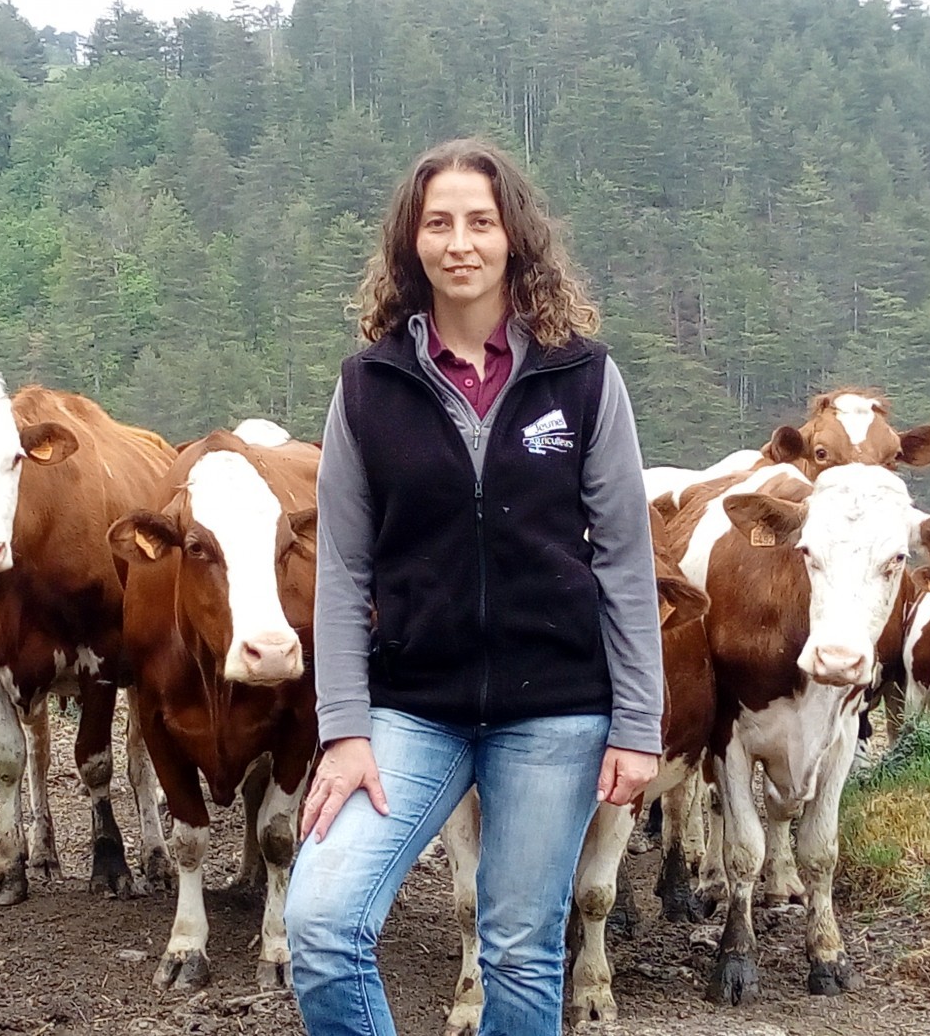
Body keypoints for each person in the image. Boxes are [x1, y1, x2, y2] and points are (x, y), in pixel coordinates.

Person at [283, 138, 665, 1036]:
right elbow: (342, 571)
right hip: (413, 707)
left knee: (521, 953)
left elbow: (623, 559)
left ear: (514, 239)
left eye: (481, 222)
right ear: (410, 244)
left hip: (556, 709)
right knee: (323, 922)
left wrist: (638, 725)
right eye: (439, 222)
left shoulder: (583, 378)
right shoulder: (367, 388)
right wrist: (343, 730)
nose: (461, 242)